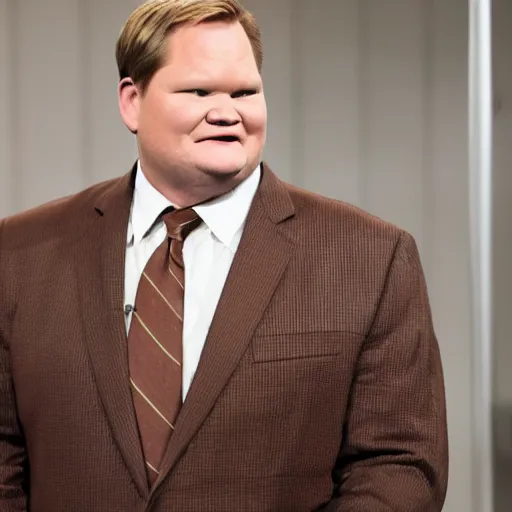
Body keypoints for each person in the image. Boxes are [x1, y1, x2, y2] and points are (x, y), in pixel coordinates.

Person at [0, 0, 448, 510]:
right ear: (132, 101)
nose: (226, 111)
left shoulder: (369, 258)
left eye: (245, 92)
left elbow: (399, 465)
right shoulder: (18, 254)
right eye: (199, 91)